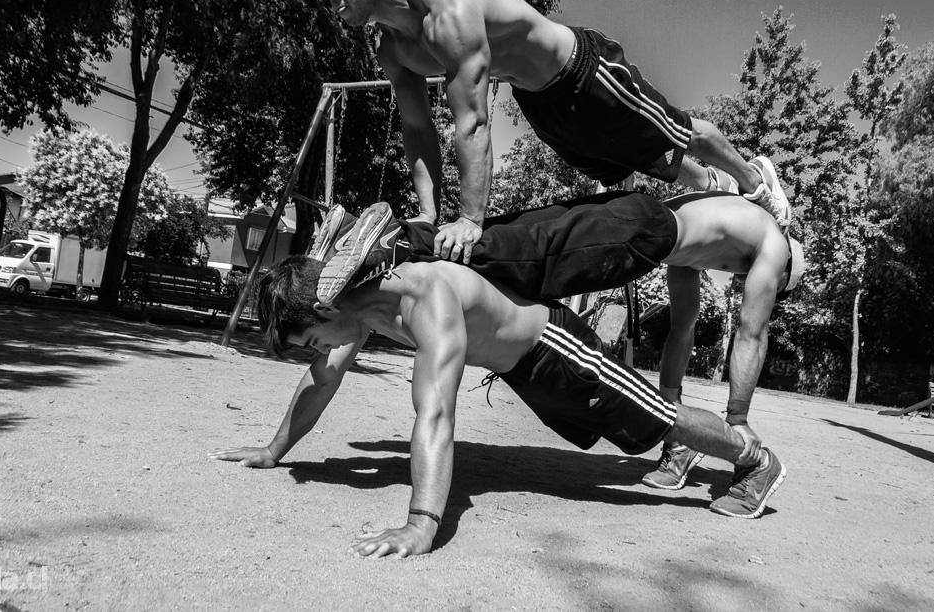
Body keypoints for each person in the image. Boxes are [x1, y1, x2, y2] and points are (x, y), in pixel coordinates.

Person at [210, 197, 793, 559]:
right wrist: (273, 448)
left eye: (311, 339)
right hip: (519, 371)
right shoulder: (357, 306)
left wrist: (421, 525)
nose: (319, 351)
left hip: (555, 350)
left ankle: (752, 457)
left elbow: (435, 414)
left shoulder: (424, 298)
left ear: (324, 310)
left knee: (658, 419)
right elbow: (324, 376)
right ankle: (708, 454)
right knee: (640, 429)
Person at [282, 0, 792, 279]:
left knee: (671, 132)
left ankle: (753, 179)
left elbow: (473, 123)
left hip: (583, 70)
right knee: (635, 161)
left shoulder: (448, 11)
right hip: (540, 100)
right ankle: (707, 184)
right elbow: (417, 128)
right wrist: (428, 212)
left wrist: (469, 219)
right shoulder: (392, 48)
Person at [316, 189, 803, 491]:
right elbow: (751, 333)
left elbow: (683, 325)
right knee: (525, 243)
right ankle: (397, 241)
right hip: (639, 227)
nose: (758, 283)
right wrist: (740, 419)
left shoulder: (710, 237)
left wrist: (668, 407)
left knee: (510, 244)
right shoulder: (773, 246)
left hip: (641, 226)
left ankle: (380, 252)